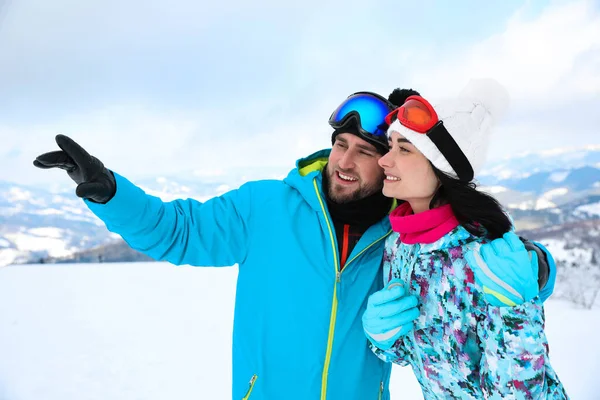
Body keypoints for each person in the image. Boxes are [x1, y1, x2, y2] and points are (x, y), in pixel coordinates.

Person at [33, 88, 556, 400]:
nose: (344, 162)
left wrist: (536, 269)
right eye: (339, 145)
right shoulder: (265, 208)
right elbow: (177, 230)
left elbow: (487, 254)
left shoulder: (403, 237)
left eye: (366, 152)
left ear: (391, 163)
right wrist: (109, 193)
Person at [363, 79, 567, 399]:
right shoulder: (398, 247)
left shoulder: (482, 256)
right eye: (390, 147)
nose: (384, 160)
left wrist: (515, 313)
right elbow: (426, 355)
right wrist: (385, 340)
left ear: (442, 170)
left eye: (404, 149)